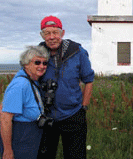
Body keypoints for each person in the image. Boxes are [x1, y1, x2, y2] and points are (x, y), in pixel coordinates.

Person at [37, 15, 94, 159]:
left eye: (55, 32)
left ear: (62, 33)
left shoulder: (78, 52)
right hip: (46, 115)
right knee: (45, 155)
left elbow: (89, 80)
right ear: (42, 35)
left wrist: (84, 107)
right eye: (47, 33)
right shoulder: (37, 54)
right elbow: (26, 78)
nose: (51, 37)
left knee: (75, 155)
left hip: (74, 114)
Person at [0, 45, 49, 159]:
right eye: (37, 62)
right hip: (19, 136)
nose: (42, 66)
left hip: (28, 135)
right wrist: (8, 150)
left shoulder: (32, 81)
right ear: (26, 64)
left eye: (45, 63)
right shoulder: (21, 84)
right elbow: (5, 118)